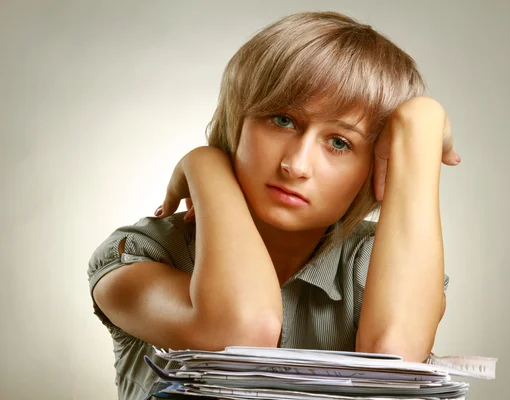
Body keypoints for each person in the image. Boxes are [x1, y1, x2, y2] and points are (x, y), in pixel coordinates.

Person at [88, 11, 460, 400]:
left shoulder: (373, 261)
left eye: (339, 143)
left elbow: (393, 367)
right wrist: (208, 164)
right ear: (238, 120)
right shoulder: (140, 253)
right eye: (282, 119)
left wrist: (421, 123)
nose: (295, 165)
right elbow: (240, 332)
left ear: (372, 168)